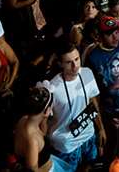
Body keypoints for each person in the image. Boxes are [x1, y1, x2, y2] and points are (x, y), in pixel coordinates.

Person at [38, 40, 104, 172]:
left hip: (89, 136)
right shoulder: (52, 88)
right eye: (69, 62)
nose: (75, 66)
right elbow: (43, 120)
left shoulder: (87, 73)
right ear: (60, 64)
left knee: (90, 167)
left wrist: (100, 128)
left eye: (77, 59)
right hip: (66, 144)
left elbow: (92, 100)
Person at [12, 86, 54, 172]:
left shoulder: (23, 119)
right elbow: (32, 170)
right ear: (46, 111)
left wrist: (44, 119)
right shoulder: (33, 141)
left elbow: (43, 133)